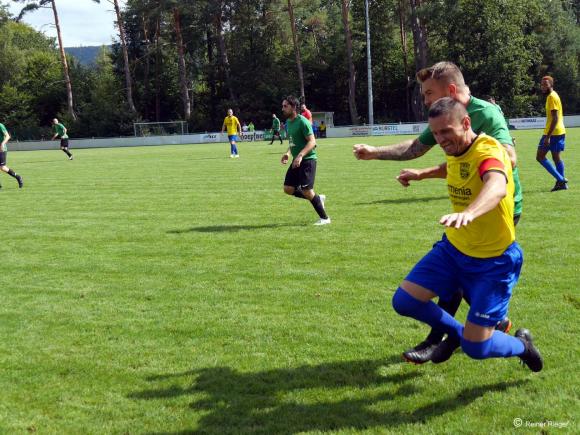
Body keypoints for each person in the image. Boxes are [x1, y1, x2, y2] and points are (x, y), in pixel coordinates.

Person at [354, 61, 523, 364]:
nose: (426, 100)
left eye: (429, 94)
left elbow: (506, 163)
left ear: (452, 91)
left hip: (496, 212)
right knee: (446, 289)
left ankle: (474, 334)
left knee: (470, 291)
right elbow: (429, 153)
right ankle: (462, 333)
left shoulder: (485, 117)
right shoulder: (445, 123)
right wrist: (380, 155)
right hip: (461, 228)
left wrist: (474, 202)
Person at [391, 97, 542, 372]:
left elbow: (495, 185)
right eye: (436, 133)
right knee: (405, 300)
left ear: (466, 123)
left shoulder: (489, 151)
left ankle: (523, 345)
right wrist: (421, 174)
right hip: (453, 250)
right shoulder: (458, 148)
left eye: (446, 131)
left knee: (477, 348)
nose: (440, 139)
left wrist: (470, 212)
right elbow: (454, 167)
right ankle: (459, 334)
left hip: (493, 261)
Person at [281, 96, 330, 225]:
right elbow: (293, 143)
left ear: (293, 107)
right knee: (288, 189)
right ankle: (318, 199)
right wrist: (287, 153)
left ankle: (325, 219)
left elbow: (312, 141)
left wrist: (301, 155)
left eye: (285, 106)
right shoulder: (289, 123)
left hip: (308, 159)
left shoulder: (303, 121)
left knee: (307, 190)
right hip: (297, 160)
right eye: (283, 106)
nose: (283, 109)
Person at [537, 76, 567, 191]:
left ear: (551, 84)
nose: (543, 86)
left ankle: (560, 179)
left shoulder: (551, 97)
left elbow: (555, 118)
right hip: (559, 131)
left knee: (540, 157)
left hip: (553, 133)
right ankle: (561, 184)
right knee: (556, 158)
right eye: (542, 84)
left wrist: (547, 137)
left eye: (546, 84)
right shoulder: (553, 95)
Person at [0, 122, 24, 189]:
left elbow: (7, 136)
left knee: (2, 167)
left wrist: (2, 144)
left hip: (1, 149)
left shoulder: (0, 125)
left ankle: (18, 177)